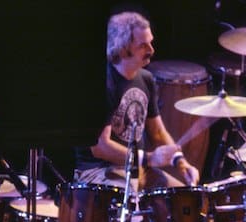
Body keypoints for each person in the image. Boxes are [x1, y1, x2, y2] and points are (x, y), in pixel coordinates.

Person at [75, 11, 200, 190]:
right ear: (123, 48)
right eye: (143, 45)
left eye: (151, 42)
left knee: (184, 198)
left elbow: (157, 132)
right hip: (98, 172)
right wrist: (148, 158)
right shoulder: (102, 83)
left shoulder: (146, 78)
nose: (151, 50)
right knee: (133, 197)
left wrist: (180, 162)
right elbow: (100, 147)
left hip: (137, 168)